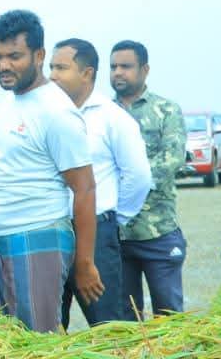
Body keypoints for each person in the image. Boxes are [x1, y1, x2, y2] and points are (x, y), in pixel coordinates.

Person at [0, 10, 104, 333]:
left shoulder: (56, 112)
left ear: (39, 55)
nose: (3, 65)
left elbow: (85, 189)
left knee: (35, 345)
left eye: (14, 56)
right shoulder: (12, 101)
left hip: (34, 235)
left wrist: (84, 264)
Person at [49, 38, 152, 326]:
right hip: (52, 230)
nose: (53, 75)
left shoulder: (112, 118)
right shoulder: (48, 116)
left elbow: (138, 176)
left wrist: (112, 217)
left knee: (107, 324)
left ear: (87, 73)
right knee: (51, 325)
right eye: (51, 67)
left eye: (61, 68)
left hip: (95, 232)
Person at [110, 40, 187, 319]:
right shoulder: (102, 114)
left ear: (145, 70)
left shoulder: (166, 110)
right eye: (113, 67)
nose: (118, 72)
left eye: (126, 66)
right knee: (124, 322)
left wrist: (130, 181)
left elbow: (173, 158)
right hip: (117, 236)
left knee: (169, 319)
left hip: (158, 232)